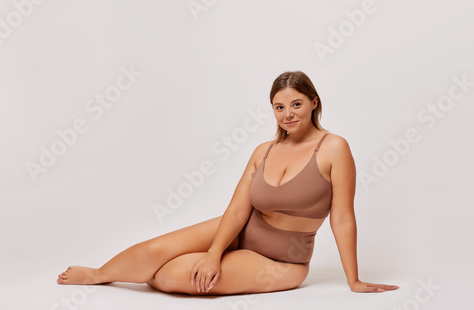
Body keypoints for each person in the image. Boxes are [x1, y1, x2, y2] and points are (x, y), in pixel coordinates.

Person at [57, 71, 399, 295]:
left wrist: (353, 280)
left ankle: (153, 270)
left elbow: (342, 218)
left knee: (170, 276)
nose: (288, 113)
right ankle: (99, 275)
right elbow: (237, 209)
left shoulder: (334, 148)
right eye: (279, 107)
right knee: (153, 253)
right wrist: (215, 253)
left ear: (314, 102)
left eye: (296, 104)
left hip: (284, 260)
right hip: (244, 230)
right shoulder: (264, 150)